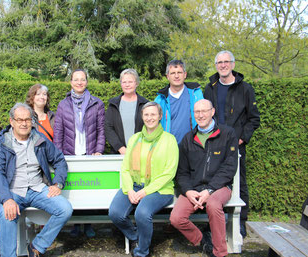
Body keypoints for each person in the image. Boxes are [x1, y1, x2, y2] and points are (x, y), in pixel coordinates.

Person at [0, 103, 73, 257]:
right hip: (13, 192)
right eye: (19, 120)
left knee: (65, 209)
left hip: (37, 189)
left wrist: (58, 183)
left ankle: (37, 246)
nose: (24, 123)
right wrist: (6, 199)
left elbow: (59, 160)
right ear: (11, 121)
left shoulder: (39, 139)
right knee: (6, 213)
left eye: (27, 119)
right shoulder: (2, 143)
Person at [109, 102, 179, 257]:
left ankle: (142, 251)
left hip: (160, 189)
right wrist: (129, 190)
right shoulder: (134, 139)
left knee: (142, 213)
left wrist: (145, 191)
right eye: (146, 115)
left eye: (153, 114)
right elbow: (125, 168)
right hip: (134, 185)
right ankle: (138, 237)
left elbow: (169, 173)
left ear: (160, 116)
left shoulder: (169, 140)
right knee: (115, 213)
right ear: (142, 117)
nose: (150, 118)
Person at [170, 99, 238, 257]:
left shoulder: (227, 134)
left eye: (204, 111)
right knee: (176, 218)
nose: (200, 115)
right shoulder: (188, 139)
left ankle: (220, 252)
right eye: (197, 112)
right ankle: (203, 240)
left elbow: (229, 167)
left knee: (213, 205)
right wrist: (188, 191)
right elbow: (182, 172)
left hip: (220, 187)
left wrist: (210, 189)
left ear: (212, 112)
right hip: (194, 189)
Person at [204, 50, 260, 237]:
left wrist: (241, 138)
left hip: (237, 144)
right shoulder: (209, 88)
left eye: (226, 61)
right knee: (211, 180)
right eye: (219, 62)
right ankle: (211, 221)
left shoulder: (245, 89)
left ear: (233, 64)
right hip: (213, 144)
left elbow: (254, 119)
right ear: (216, 65)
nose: (223, 65)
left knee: (239, 182)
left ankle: (240, 222)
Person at [54, 69, 105, 237]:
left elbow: (101, 130)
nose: (79, 82)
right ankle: (76, 224)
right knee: (73, 190)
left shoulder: (97, 103)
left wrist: (98, 150)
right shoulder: (63, 105)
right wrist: (59, 154)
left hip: (89, 152)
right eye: (76, 79)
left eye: (82, 79)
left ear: (87, 82)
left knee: (89, 189)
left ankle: (88, 224)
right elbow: (59, 131)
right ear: (71, 82)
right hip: (69, 153)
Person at [154, 59, 203, 144]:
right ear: (167, 76)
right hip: (168, 147)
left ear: (185, 74)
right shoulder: (160, 99)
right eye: (173, 73)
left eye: (179, 72)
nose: (176, 76)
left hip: (193, 145)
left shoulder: (196, 94)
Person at [105, 68, 149, 154]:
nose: (127, 85)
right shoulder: (113, 104)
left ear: (136, 83)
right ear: (121, 84)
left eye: (130, 82)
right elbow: (108, 128)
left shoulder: (145, 104)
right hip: (118, 153)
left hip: (141, 153)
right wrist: (120, 148)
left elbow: (149, 127)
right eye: (124, 82)